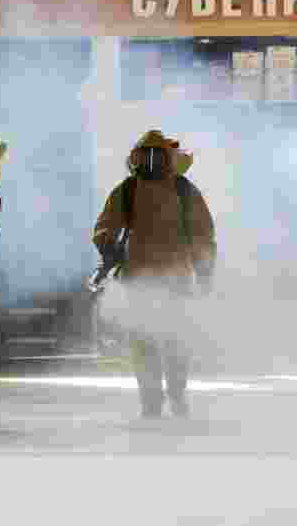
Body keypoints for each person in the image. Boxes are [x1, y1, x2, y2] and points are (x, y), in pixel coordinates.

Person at [93, 130, 216, 419]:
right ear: (137, 158)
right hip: (142, 278)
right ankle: (152, 397)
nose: (151, 161)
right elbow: (105, 226)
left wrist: (205, 270)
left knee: (174, 340)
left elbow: (201, 234)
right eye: (147, 155)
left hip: (172, 278)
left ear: (167, 158)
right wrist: (107, 245)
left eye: (157, 155)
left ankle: (174, 393)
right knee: (145, 339)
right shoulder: (128, 190)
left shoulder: (183, 190)